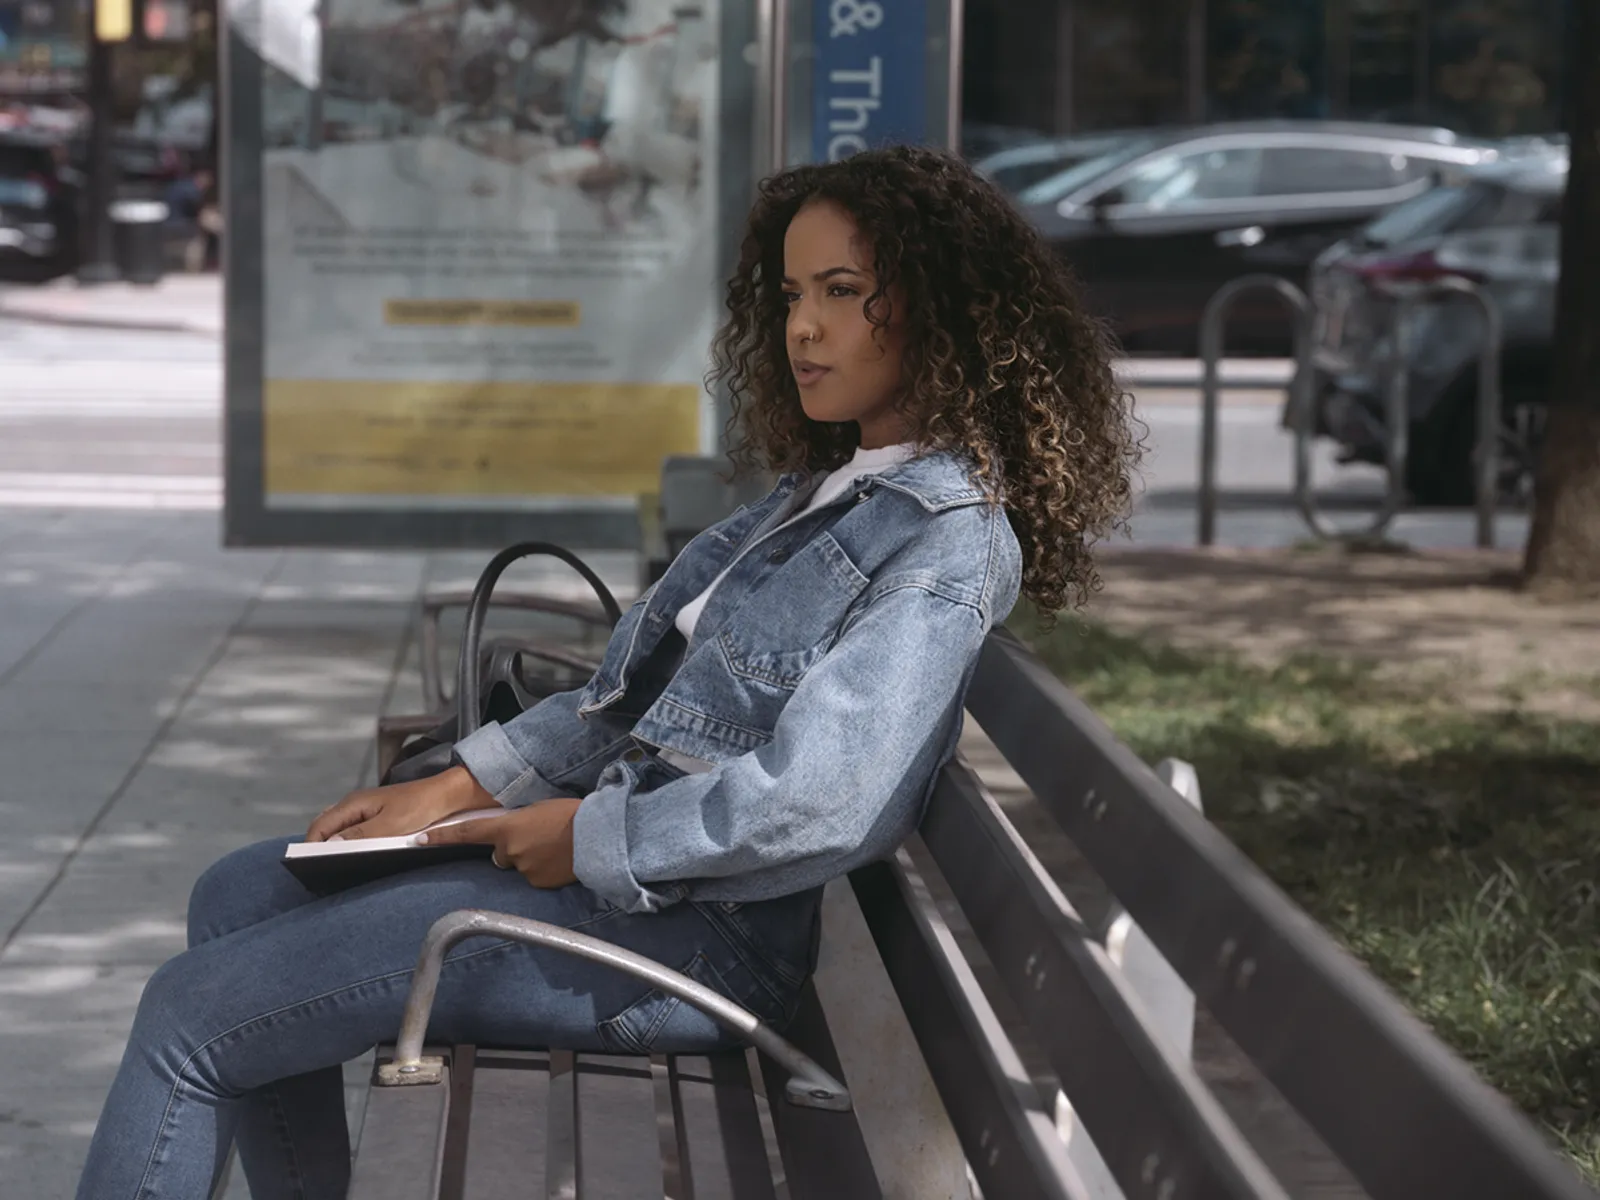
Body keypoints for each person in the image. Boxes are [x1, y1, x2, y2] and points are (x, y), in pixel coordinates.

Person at [75, 144, 1141, 1198]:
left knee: (190, 1018)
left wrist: (588, 838)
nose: (802, 327)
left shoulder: (943, 537)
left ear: (940, 310)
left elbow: (826, 803)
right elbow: (631, 697)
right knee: (239, 894)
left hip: (692, 946)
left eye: (843, 292)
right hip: (638, 897)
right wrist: (456, 786)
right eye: (791, 294)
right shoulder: (833, 489)